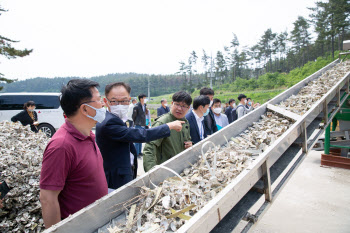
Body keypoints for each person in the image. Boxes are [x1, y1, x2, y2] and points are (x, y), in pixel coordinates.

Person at [39, 79, 108, 228]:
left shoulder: (88, 134)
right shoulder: (61, 146)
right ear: (85, 109)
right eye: (98, 100)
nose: (103, 104)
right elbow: (47, 198)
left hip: (97, 222)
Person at [96, 82, 184, 190]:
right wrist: (168, 126)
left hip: (123, 174)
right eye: (114, 101)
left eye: (124, 101)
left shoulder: (116, 118)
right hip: (115, 180)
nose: (120, 105)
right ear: (106, 101)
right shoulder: (108, 122)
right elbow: (141, 135)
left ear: (129, 100)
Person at [143, 91, 193, 172]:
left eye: (184, 106)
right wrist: (152, 173)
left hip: (180, 168)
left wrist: (190, 145)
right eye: (177, 104)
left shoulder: (185, 122)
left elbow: (187, 140)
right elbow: (149, 148)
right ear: (172, 103)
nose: (180, 109)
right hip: (165, 170)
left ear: (189, 108)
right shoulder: (162, 122)